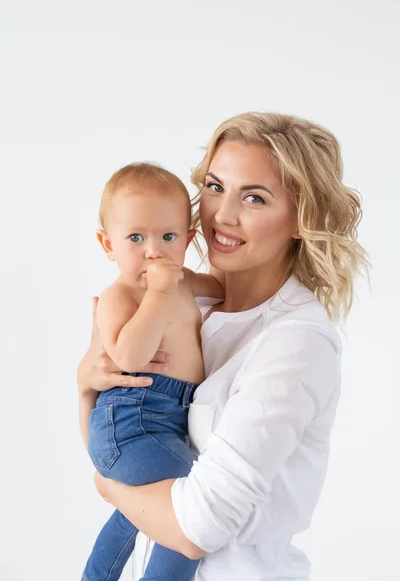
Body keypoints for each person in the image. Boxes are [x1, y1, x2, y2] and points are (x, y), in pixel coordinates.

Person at [78, 112, 369, 581]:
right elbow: (120, 447)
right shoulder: (191, 305)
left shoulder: (297, 341)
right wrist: (85, 387)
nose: (221, 215)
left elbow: (196, 528)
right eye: (215, 187)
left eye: (254, 197)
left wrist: (107, 486)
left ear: (300, 219)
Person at [81, 163, 224, 581]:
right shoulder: (119, 295)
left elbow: (226, 289)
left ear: (188, 239)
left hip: (163, 423)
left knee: (134, 516)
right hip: (130, 422)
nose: (154, 250)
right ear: (108, 245)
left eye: (168, 236)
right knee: (190, 510)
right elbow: (128, 356)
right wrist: (158, 292)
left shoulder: (187, 282)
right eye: (136, 238)